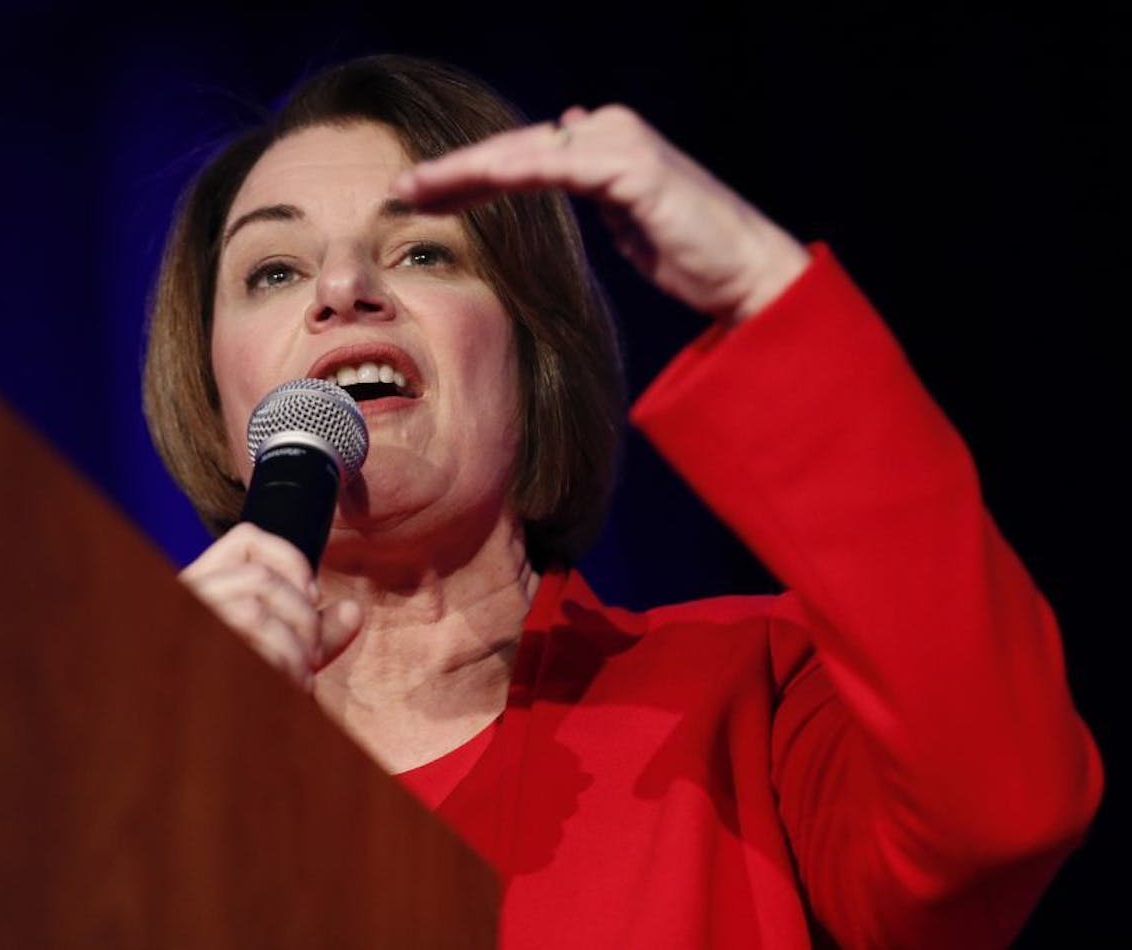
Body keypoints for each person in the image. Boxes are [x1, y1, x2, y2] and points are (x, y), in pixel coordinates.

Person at [142, 55, 1102, 947]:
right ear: (217, 395)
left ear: (534, 361)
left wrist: (762, 284)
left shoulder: (744, 700)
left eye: (424, 255)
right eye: (275, 271)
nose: (343, 290)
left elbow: (1004, 808)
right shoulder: (115, 786)